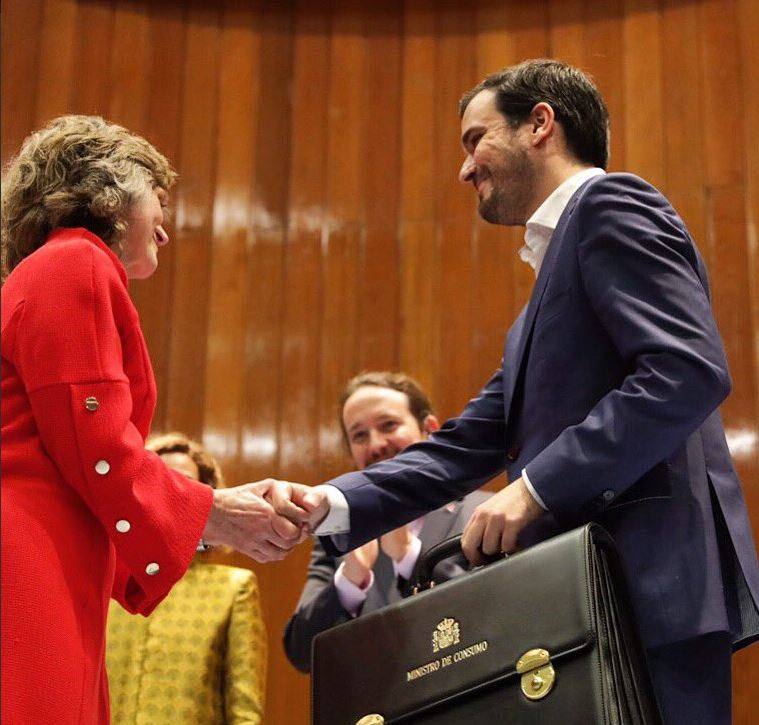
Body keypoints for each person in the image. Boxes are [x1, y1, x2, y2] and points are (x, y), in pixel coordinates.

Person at [265, 60, 759, 723]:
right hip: (587, 603)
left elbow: (686, 370)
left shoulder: (611, 204)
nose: (465, 169)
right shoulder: (537, 303)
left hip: (649, 589)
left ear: (539, 124)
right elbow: (463, 445)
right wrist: (323, 502)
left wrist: (535, 487)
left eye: (475, 139)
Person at [0, 115, 301, 723]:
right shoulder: (74, 261)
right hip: (28, 555)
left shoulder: (48, 273)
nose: (167, 223)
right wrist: (214, 513)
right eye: (156, 196)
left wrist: (209, 517)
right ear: (107, 188)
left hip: (55, 552)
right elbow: (95, 443)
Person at [283, 372, 491, 672]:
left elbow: (496, 614)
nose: (376, 444)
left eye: (388, 425)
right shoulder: (339, 534)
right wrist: (348, 583)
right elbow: (301, 653)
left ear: (429, 429)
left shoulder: (482, 509)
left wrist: (410, 558)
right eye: (359, 436)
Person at [107, 432, 267, 724]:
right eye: (160, 482)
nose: (171, 494)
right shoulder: (109, 587)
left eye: (185, 485)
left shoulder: (233, 589)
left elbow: (245, 709)